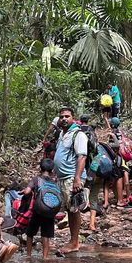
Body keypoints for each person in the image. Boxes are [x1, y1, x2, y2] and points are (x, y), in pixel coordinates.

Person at [53, 106, 88, 253]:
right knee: (69, 208)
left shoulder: (78, 135)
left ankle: (74, 242)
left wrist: (77, 178)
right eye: (61, 117)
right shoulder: (62, 134)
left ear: (73, 118)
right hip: (63, 177)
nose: (64, 119)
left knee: (73, 209)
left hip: (72, 177)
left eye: (67, 116)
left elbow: (82, 157)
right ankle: (73, 241)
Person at [23, 159, 58, 259]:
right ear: (52, 170)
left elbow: (27, 192)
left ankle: (28, 256)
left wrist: (26, 191)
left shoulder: (36, 179)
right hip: (50, 211)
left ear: (40, 168)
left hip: (37, 211)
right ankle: (45, 258)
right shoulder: (54, 182)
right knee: (46, 235)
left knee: (30, 234)